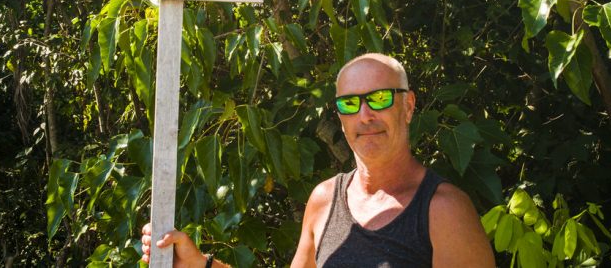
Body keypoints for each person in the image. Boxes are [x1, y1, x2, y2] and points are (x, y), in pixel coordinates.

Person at [141, 53, 496, 267]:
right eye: (350, 103)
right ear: (339, 117)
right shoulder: (325, 200)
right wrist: (199, 264)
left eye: (380, 98)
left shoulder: (443, 211)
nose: (365, 115)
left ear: (408, 105)